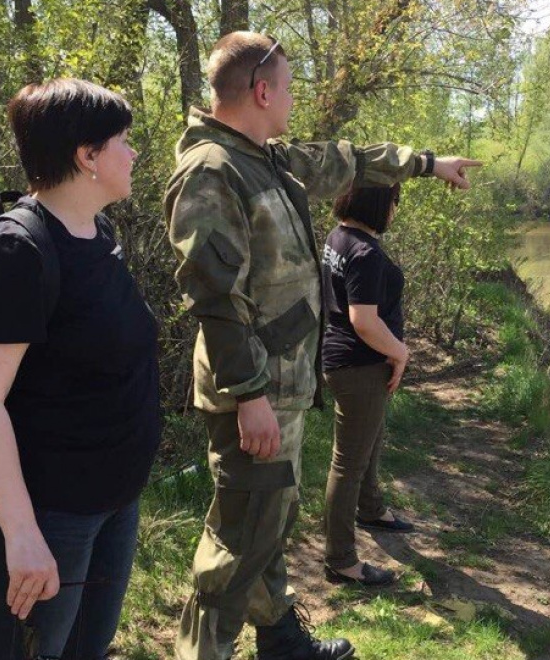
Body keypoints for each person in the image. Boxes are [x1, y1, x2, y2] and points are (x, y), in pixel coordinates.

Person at [164, 31, 481, 660]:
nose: (291, 100)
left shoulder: (264, 158)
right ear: (261, 91)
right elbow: (214, 296)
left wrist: (427, 163)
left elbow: (348, 160)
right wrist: (249, 395)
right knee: (239, 537)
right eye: (286, 88)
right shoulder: (212, 171)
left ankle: (280, 641)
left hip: (282, 386)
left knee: (271, 523)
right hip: (253, 390)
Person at [0, 78, 161, 659]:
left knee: (87, 650)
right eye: (124, 140)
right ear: (87, 155)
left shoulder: (99, 234)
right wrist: (22, 536)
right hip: (50, 516)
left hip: (113, 501)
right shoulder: (18, 251)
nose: (134, 152)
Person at [320, 184, 414, 589]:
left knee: (369, 439)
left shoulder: (338, 236)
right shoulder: (364, 252)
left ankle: (371, 508)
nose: (396, 210)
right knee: (348, 462)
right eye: (395, 201)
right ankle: (340, 560)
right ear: (378, 202)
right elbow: (364, 321)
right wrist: (400, 353)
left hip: (349, 361)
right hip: (359, 365)